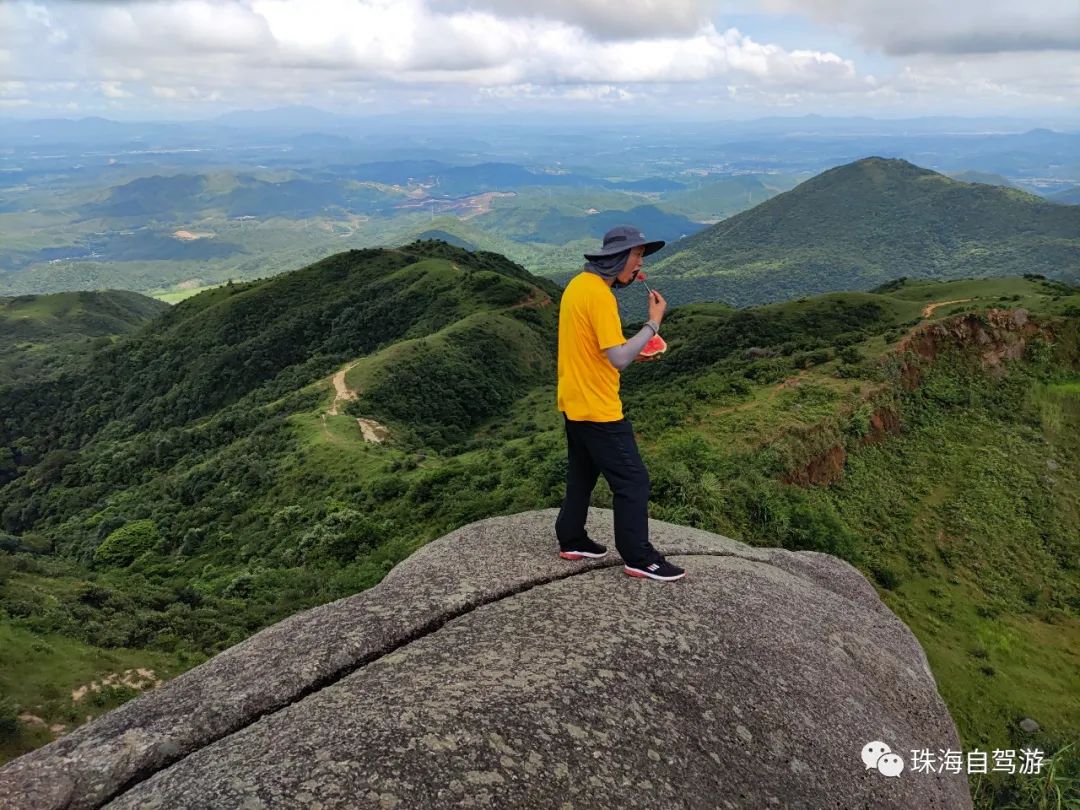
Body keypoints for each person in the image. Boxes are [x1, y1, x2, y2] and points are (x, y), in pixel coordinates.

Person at [553, 225, 686, 582]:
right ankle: (639, 557)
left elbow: (597, 348)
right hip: (598, 406)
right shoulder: (600, 296)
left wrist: (632, 349)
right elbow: (618, 358)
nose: (640, 263)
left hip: (573, 400)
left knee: (582, 474)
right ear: (617, 257)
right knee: (633, 481)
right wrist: (653, 324)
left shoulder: (578, 285)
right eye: (637, 255)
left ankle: (572, 538)